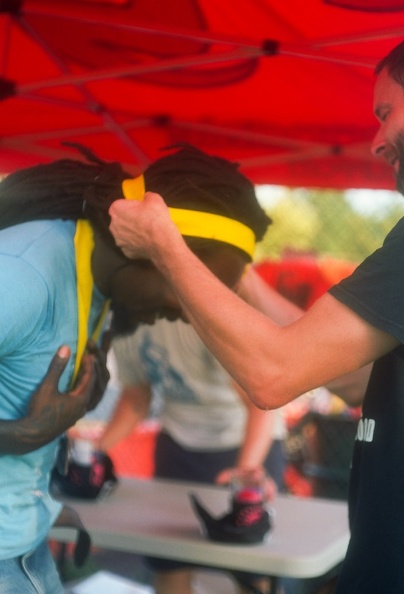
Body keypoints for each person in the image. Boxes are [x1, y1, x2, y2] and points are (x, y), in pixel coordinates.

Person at [108, 17, 404, 594]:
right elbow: (360, 378)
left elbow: (273, 374)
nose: (377, 140)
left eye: (385, 112)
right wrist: (241, 281)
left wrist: (165, 245)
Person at [0, 142, 270, 594]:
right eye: (189, 290)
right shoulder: (21, 274)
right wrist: (16, 436)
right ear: (150, 247)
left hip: (23, 548)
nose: (191, 314)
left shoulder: (97, 282)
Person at [99, 317, 286, 594]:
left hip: (243, 442)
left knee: (251, 569)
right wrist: (94, 451)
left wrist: (245, 473)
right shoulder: (126, 317)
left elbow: (261, 402)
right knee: (169, 559)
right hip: (178, 443)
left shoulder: (206, 318)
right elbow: (136, 399)